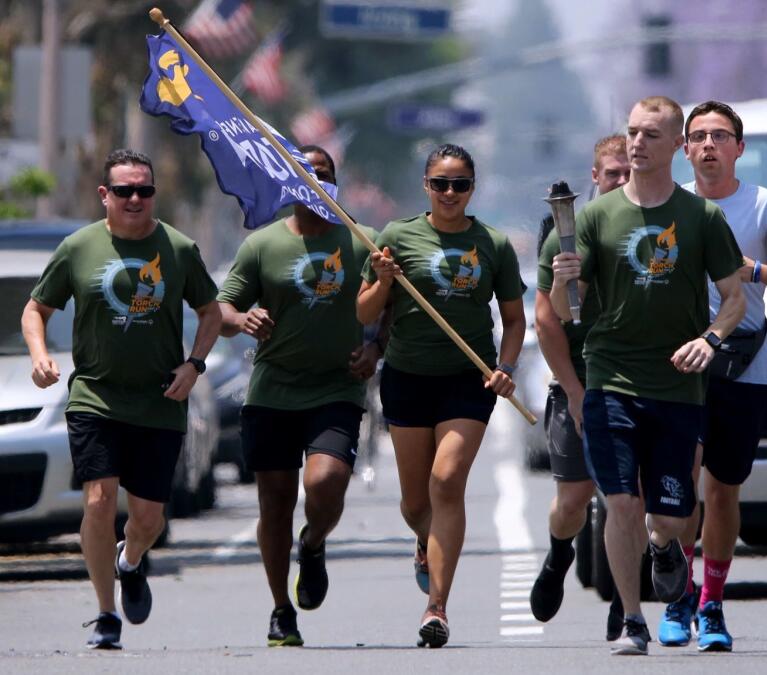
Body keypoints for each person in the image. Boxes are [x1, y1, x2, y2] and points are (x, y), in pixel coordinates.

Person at [550, 96, 746, 656]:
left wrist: (709, 340)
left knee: (670, 513)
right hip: (611, 378)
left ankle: (664, 548)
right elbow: (568, 315)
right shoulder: (592, 217)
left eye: (650, 135)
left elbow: (733, 298)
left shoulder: (701, 218)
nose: (636, 143)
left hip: (677, 385)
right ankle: (633, 618)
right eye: (632, 133)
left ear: (675, 146)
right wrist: (568, 281)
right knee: (622, 504)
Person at [20, 149, 220, 649]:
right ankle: (106, 613)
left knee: (149, 518)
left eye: (144, 190)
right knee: (99, 501)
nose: (135, 199)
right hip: (96, 397)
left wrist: (193, 365)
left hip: (159, 400)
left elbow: (211, 313)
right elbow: (34, 310)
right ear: (105, 195)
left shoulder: (177, 248)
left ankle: (129, 561)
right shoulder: (78, 247)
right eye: (125, 190)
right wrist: (40, 355)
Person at [658, 100, 767, 652]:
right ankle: (680, 599)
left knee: (724, 491)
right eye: (699, 136)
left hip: (742, 367)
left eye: (720, 136)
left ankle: (711, 604)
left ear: (739, 149)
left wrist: (758, 271)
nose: (709, 145)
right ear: (684, 149)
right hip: (678, 368)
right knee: (681, 488)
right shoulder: (665, 207)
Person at [357, 143, 525, 649]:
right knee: (415, 503)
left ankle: (437, 607)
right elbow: (365, 314)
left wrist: (505, 368)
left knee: (446, 481)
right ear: (426, 186)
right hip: (407, 377)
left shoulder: (492, 242)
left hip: (467, 380)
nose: (450, 193)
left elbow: (514, 320)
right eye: (440, 184)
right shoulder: (396, 236)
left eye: (460, 184)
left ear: (473, 188)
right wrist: (383, 281)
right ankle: (423, 542)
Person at [216, 145, 384, 647]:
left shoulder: (361, 241)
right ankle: (281, 609)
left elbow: (392, 303)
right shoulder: (262, 246)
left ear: (336, 181)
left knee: (327, 481)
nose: (314, 180)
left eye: (324, 173)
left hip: (336, 387)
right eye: (304, 173)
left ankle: (312, 544)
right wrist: (242, 318)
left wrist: (376, 346)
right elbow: (221, 312)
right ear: (286, 180)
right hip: (273, 391)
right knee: (274, 504)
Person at [528, 134, 630, 639]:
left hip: (635, 385)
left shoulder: (656, 228)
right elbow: (549, 324)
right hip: (580, 382)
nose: (621, 180)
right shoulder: (565, 238)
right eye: (612, 172)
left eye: (629, 170)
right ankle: (558, 556)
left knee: (626, 500)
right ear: (596, 177)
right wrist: (573, 391)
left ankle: (624, 603)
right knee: (574, 501)